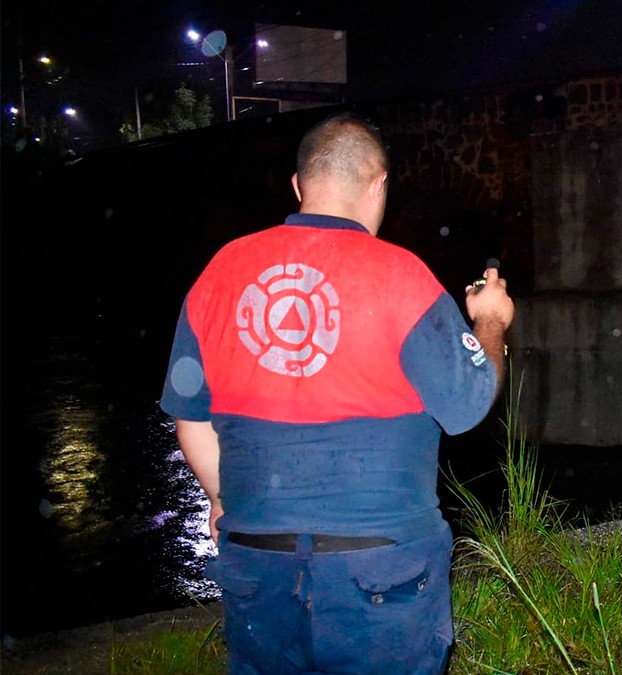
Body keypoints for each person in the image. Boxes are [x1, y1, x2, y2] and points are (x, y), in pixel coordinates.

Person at [159, 111, 514, 674]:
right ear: (379, 187)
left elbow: (191, 420)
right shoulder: (403, 276)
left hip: (258, 567)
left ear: (298, 186)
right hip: (383, 574)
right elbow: (468, 405)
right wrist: (489, 322)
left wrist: (223, 499)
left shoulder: (220, 272)